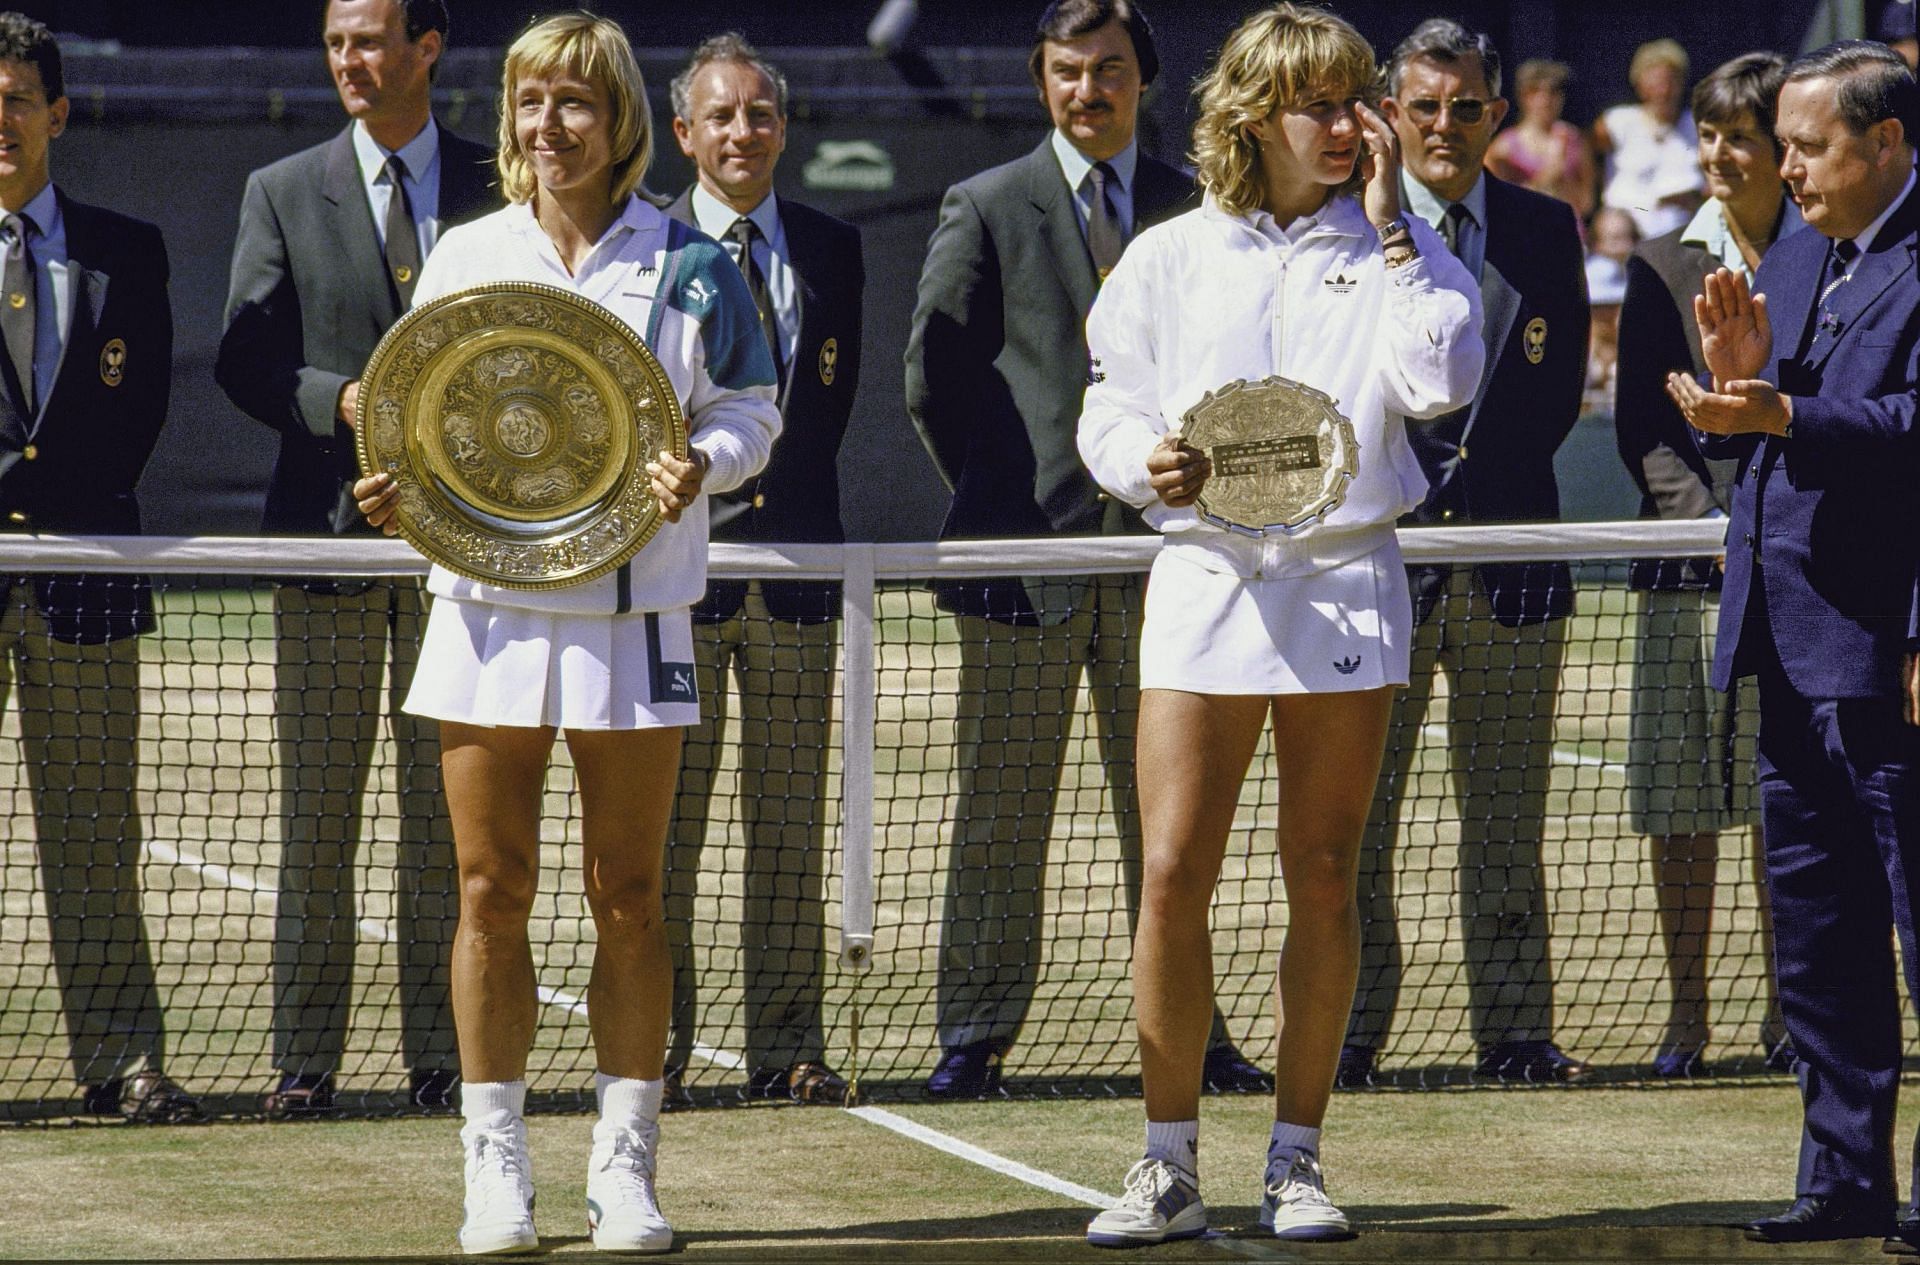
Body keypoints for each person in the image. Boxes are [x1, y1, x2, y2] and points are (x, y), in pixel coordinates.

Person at [352, 11, 779, 1254]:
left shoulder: (696, 260)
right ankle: (496, 1170)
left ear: (622, 121)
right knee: (490, 890)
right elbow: (418, 424)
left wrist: (706, 457)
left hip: (638, 613)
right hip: (484, 612)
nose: (552, 127)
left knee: (630, 894)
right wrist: (395, 491)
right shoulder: (464, 252)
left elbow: (754, 407)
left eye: (577, 104)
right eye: (534, 102)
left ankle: (623, 1167)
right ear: (512, 120)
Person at [1076, 2, 1483, 1245]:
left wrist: (1399, 237)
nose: (1350, 125)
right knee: (1169, 870)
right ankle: (1167, 1160)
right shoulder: (1167, 256)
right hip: (1203, 582)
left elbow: (1441, 378)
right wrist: (1146, 464)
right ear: (1254, 117)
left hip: (1345, 581)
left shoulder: (1401, 245)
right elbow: (1107, 408)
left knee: (1322, 870)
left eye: (1360, 99)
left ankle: (1297, 1157)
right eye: (1321, 102)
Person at [905, 0, 1265, 1102]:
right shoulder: (986, 202)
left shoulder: (1199, 206)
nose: (1086, 90)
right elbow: (935, 378)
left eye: (1108, 70)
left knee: (1173, 823)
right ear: (1042, 78)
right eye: (1067, 71)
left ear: (1143, 81)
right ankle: (972, 1033)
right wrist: (1000, 499)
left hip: (1174, 569)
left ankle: (1196, 1040)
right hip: (1023, 567)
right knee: (998, 814)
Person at [214, 0, 498, 1117]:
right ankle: (305, 1061)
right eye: (336, 43)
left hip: (463, 552)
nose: (349, 61)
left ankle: (443, 1054)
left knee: (450, 822)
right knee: (317, 821)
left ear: (427, 49)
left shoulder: (500, 177)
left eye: (371, 40)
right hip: (325, 541)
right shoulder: (279, 190)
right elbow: (246, 360)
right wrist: (340, 403)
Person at [1663, 40, 1920, 1249]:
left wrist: (1780, 406)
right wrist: (1736, 395)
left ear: (1887, 145)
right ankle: (1844, 1177)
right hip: (1786, 644)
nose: (1788, 167)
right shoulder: (1802, 250)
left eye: (1810, 146)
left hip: (1889, 647)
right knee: (1819, 942)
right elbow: (1770, 436)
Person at [1342, 18, 1591, 1088]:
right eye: (1426, 107)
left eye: (1467, 107)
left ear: (1498, 114)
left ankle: (1516, 1029)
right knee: (1353, 825)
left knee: (1507, 821)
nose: (1446, 126)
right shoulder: (1349, 225)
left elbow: (1551, 389)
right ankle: (1348, 1031)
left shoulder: (1547, 226)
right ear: (1391, 114)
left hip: (1512, 573)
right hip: (1374, 574)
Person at [0, 11, 198, 1126]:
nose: (2, 118)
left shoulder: (131, 248)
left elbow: (142, 413)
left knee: (95, 837)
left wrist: (60, 519)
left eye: (19, 98)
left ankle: (124, 1059)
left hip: (86, 581)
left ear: (57, 115)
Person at [660, 32, 862, 1107]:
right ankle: (657, 1046)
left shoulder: (835, 248)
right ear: (685, 134)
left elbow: (824, 414)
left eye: (761, 114)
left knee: (788, 832)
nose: (744, 132)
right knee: (664, 836)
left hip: (797, 581)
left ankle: (789, 1042)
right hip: (674, 589)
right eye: (722, 116)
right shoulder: (645, 249)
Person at [1614, 51, 1796, 1079]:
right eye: (1712, 135)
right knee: (1681, 812)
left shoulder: (1833, 257)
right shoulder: (1656, 264)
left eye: (1744, 137)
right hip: (1683, 572)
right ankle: (1688, 1019)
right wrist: (1708, 529)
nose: (1722, 156)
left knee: (1789, 808)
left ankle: (1788, 1012)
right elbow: (1646, 423)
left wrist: (1770, 525)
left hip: (1800, 575)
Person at [1595, 38, 1705, 239]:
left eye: (1670, 82)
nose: (1663, 91)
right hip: (1624, 233)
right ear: (1640, 86)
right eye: (1655, 84)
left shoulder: (1698, 125)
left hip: (1682, 232)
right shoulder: (1617, 122)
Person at [1485, 59, 1595, 215]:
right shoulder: (1504, 146)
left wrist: (1563, 181)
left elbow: (1586, 202)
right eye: (1535, 91)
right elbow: (1498, 202)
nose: (1545, 100)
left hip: (1569, 231)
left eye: (1553, 91)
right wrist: (1546, 176)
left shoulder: (1575, 139)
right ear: (1522, 96)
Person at [1584, 206, 1640, 413]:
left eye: (1614, 305)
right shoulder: (1576, 356)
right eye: (1598, 307)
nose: (1606, 315)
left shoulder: (1642, 353)